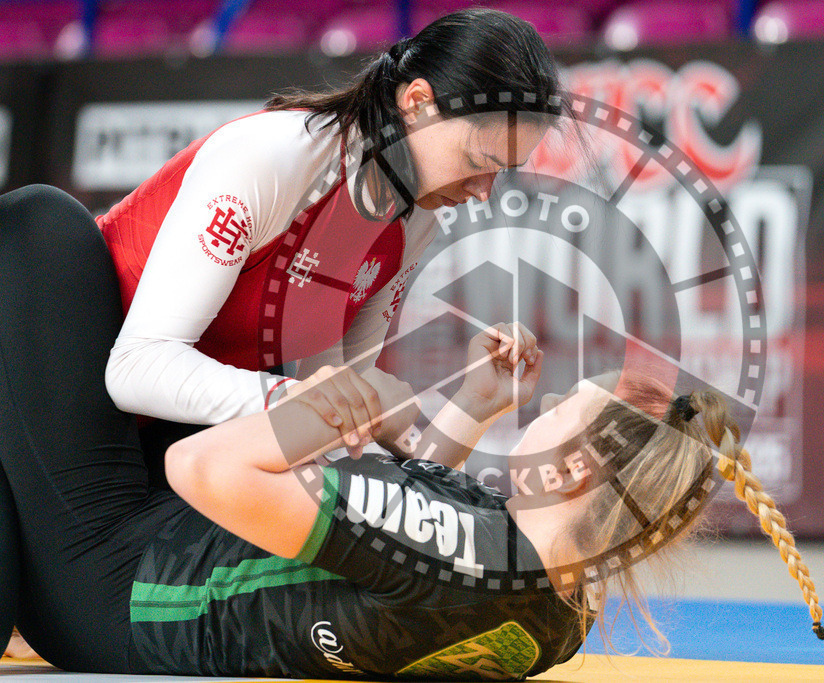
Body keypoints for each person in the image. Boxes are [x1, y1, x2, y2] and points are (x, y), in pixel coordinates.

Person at [0, 173, 824, 674]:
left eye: (558, 414)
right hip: (161, 573)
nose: (540, 411)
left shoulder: (472, 552)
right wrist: (471, 404)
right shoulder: (562, 598)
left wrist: (311, 412)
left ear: (572, 472)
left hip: (121, 576)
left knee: (42, 230)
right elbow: (398, 563)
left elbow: (205, 471)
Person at [1, 7, 567, 493]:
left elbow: (341, 441)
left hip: (155, 441)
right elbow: (136, 368)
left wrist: (474, 407)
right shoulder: (273, 158)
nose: (482, 194)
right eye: (479, 162)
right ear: (416, 102)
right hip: (49, 399)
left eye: (503, 173)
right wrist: (295, 398)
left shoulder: (415, 219)